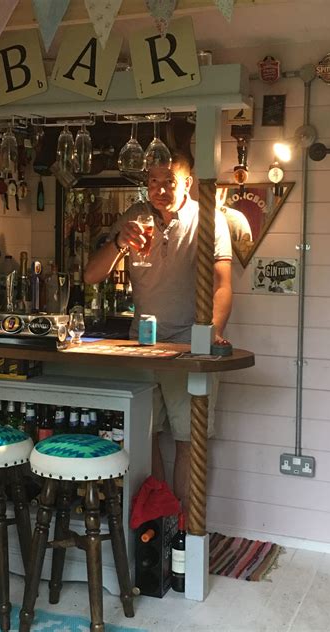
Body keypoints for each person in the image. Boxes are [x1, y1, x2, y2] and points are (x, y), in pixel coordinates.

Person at [84, 151, 232, 516]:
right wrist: (120, 242)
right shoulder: (135, 217)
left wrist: (212, 332)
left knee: (189, 440)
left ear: (187, 182)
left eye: (169, 181)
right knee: (143, 436)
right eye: (153, 181)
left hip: (189, 342)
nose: (160, 189)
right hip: (142, 342)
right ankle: (155, 523)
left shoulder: (208, 218)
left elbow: (223, 284)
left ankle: (183, 531)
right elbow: (91, 276)